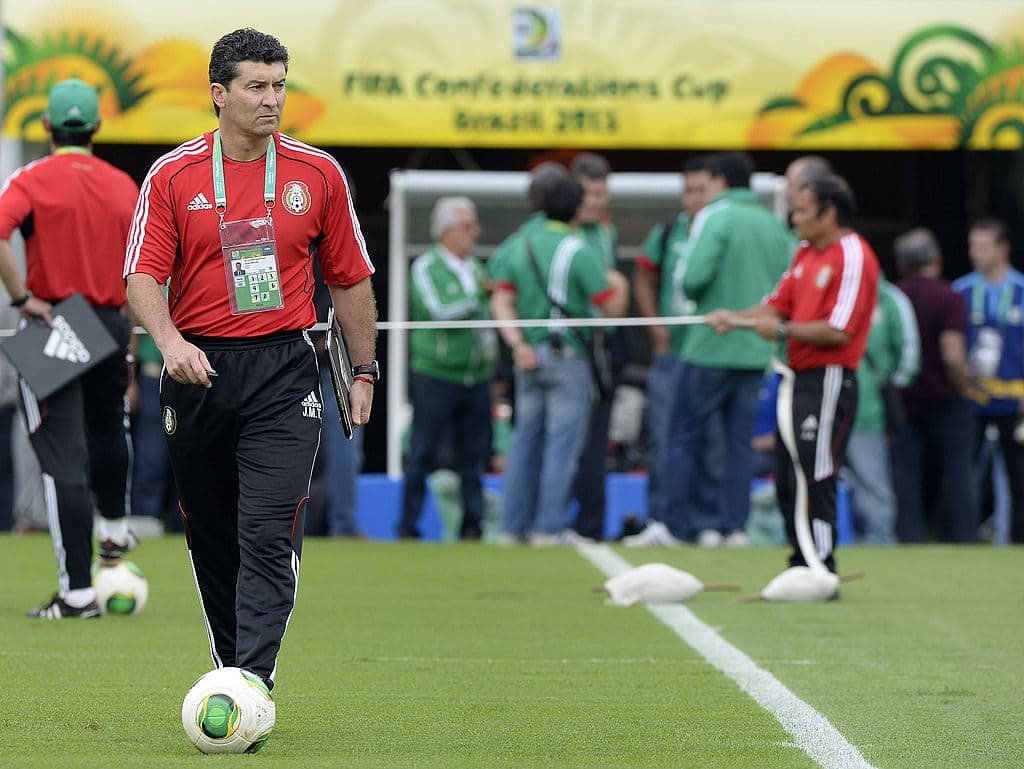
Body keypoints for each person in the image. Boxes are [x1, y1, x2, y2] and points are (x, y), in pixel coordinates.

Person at [123, 28, 377, 691]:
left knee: (267, 528)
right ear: (219, 93)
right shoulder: (172, 174)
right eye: (257, 86)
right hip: (196, 370)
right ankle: (232, 668)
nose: (272, 100)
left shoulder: (318, 173)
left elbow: (350, 278)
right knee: (212, 533)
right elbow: (142, 277)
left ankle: (253, 680)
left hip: (285, 369)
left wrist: (364, 370)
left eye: (280, 85)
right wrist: (169, 342)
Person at [0, 78, 139, 618]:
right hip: (109, 319)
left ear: (47, 127)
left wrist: (21, 297)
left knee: (61, 458)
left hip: (56, 318)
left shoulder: (32, 178)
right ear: (97, 127)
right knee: (109, 429)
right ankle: (115, 529)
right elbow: (146, 260)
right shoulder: (123, 184)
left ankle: (77, 593)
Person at [706, 173, 879, 576]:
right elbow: (775, 307)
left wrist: (781, 330)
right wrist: (734, 318)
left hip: (829, 378)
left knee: (815, 471)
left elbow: (838, 330)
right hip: (796, 377)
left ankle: (821, 565)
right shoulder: (805, 253)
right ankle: (800, 561)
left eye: (801, 211)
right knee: (787, 475)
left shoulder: (852, 255)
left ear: (828, 213)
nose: (794, 219)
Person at [626, 152, 791, 547]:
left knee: (683, 436)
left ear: (719, 181)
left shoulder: (714, 217)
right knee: (738, 445)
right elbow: (785, 284)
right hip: (756, 351)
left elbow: (692, 279)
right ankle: (731, 527)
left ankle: (675, 526)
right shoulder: (772, 223)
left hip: (708, 348)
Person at [490, 173, 628, 545]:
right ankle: (548, 528)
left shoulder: (520, 244)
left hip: (528, 356)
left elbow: (500, 298)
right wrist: (619, 283)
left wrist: (517, 344)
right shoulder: (577, 249)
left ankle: (511, 528)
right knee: (561, 448)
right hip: (568, 357)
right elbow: (610, 308)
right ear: (577, 208)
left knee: (523, 444)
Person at [398, 196, 495, 540]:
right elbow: (439, 310)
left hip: (476, 376)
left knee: (474, 455)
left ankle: (473, 526)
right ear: (446, 231)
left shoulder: (477, 267)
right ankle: (407, 527)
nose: (475, 232)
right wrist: (479, 297)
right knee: (422, 452)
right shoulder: (426, 267)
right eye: (468, 226)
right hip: (435, 374)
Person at [632, 154, 719, 537]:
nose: (695, 198)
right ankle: (661, 521)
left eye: (702, 190)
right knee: (663, 436)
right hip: (673, 354)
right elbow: (643, 275)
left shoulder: (722, 229)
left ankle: (706, 522)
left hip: (711, 353)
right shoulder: (669, 231)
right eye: (689, 190)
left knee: (712, 439)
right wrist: (655, 326)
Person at [891, 228, 976, 542]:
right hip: (946, 397)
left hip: (904, 399)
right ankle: (963, 536)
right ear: (937, 259)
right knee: (958, 470)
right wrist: (965, 388)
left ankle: (909, 536)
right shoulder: (948, 296)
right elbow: (952, 353)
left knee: (906, 474)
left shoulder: (894, 296)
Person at [953, 218, 1024, 543]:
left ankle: (1019, 543)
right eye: (973, 246)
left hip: (1016, 400)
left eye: (983, 246)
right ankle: (963, 540)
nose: (975, 253)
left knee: (1018, 478)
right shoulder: (961, 290)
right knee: (964, 473)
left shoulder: (1021, 290)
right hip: (974, 397)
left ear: (1003, 248)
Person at [567, 152, 625, 540]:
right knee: (567, 438)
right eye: (586, 194)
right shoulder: (564, 233)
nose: (592, 202)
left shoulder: (606, 231)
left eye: (599, 194)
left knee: (595, 436)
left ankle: (589, 523)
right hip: (573, 344)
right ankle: (554, 520)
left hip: (602, 345)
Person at [841, 278, 920, 544]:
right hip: (822, 405)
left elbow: (908, 355)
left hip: (867, 409)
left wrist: (883, 385)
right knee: (819, 479)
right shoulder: (824, 287)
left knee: (872, 481)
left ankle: (880, 539)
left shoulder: (889, 297)